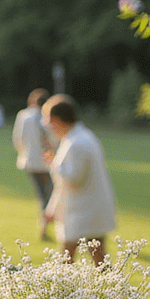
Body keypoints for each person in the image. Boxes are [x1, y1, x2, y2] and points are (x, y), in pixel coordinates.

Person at [42, 94, 116, 264]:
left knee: (70, 258)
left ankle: (63, 290)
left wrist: (53, 164)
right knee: (98, 258)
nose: (48, 126)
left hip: (83, 211)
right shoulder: (78, 137)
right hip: (85, 210)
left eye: (49, 120)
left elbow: (73, 179)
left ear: (58, 120)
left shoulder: (77, 143)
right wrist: (52, 207)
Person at [12, 88, 57, 240]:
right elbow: (53, 139)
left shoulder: (23, 115)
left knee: (43, 195)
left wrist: (24, 153)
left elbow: (17, 140)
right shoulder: (45, 116)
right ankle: (45, 227)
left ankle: (45, 226)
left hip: (28, 162)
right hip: (46, 163)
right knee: (49, 195)